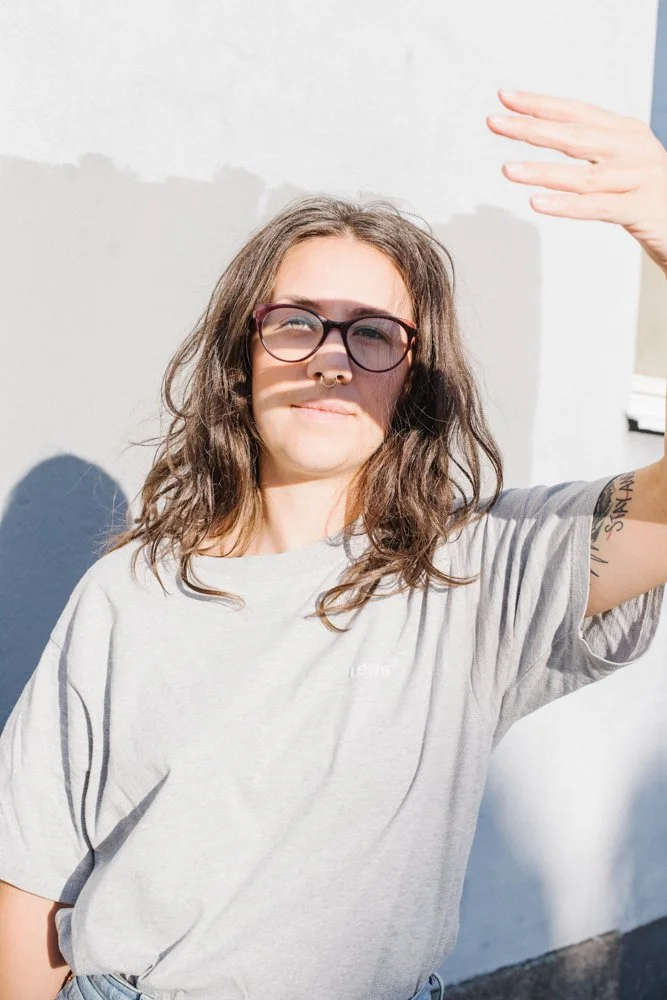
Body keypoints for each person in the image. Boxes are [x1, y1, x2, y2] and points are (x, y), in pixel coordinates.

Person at [0, 194, 664, 1000]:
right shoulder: (125, 591)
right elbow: (30, 879)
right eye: (295, 321)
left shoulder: (475, 574)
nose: (331, 358)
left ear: (412, 380)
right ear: (241, 353)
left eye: (374, 332)